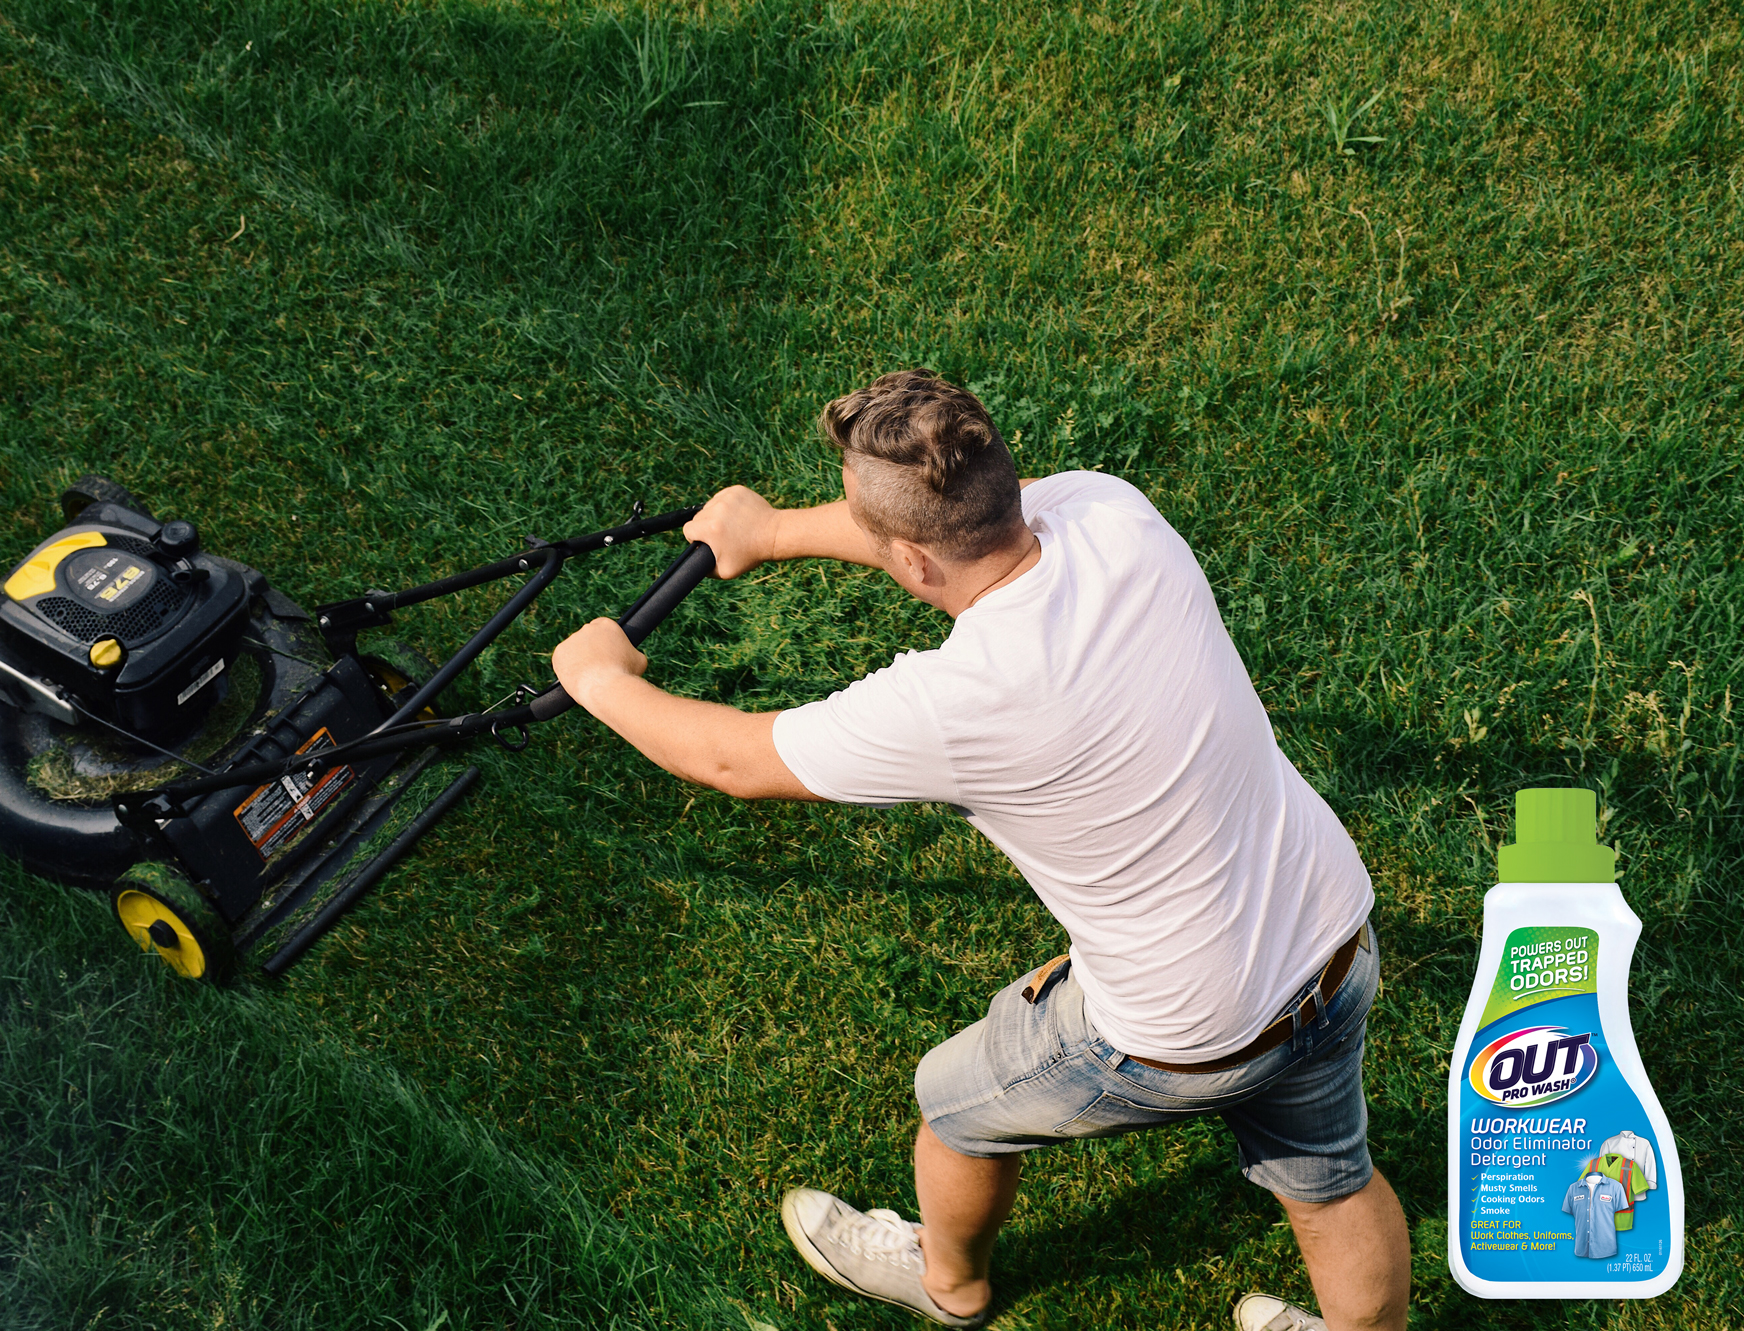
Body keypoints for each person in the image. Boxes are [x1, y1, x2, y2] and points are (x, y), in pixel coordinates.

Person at [549, 370, 1411, 1331]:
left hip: (1181, 1030)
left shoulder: (958, 706)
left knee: (954, 1108)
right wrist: (776, 530)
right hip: (1332, 934)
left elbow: (728, 758)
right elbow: (941, 533)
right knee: (1333, 1185)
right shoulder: (1110, 512)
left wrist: (596, 678)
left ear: (908, 562)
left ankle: (947, 1283)